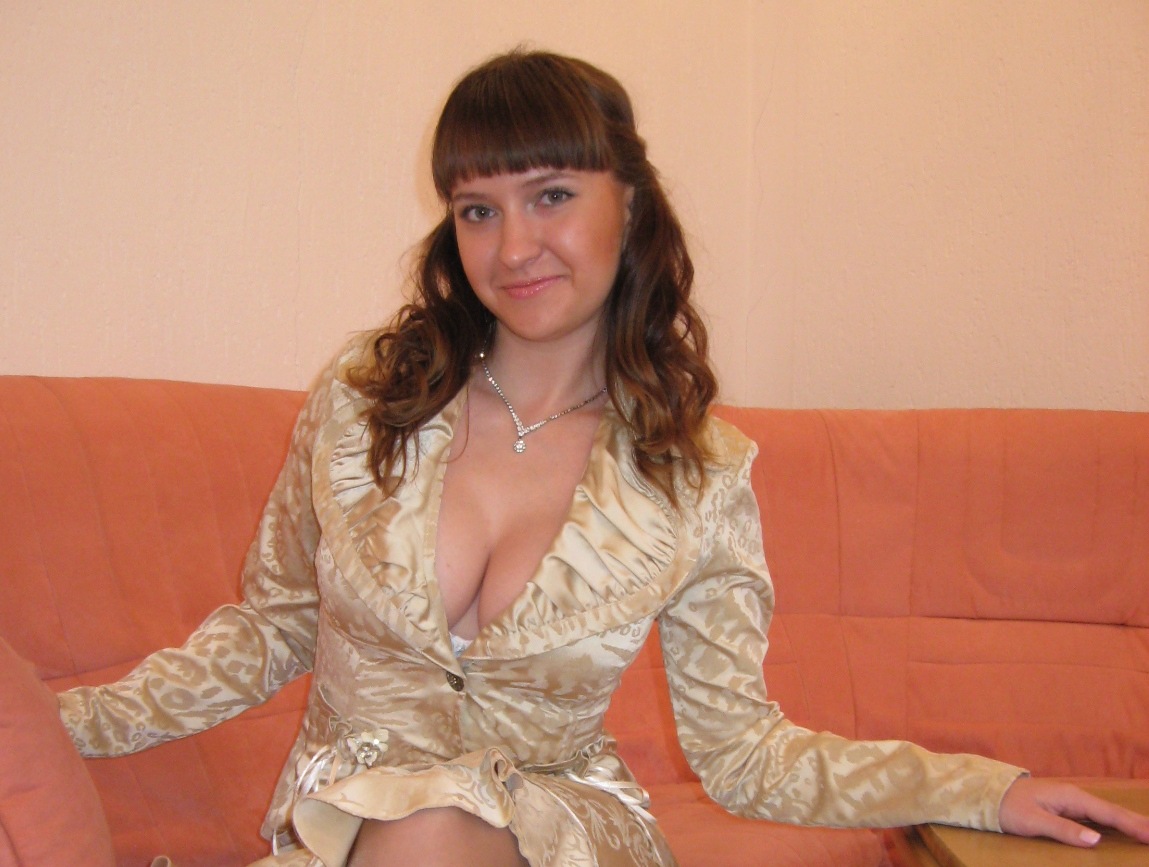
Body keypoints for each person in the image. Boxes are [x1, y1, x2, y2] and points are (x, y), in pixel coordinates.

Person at [60, 49, 1149, 867]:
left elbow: (743, 751)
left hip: (560, 830)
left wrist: (980, 790)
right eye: (477, 210)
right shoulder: (366, 399)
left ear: (629, 204)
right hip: (345, 826)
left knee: (436, 831)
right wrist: (61, 724)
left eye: (551, 196)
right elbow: (274, 625)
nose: (511, 246)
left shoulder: (696, 471)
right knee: (419, 828)